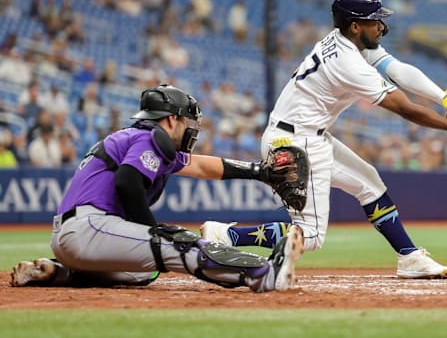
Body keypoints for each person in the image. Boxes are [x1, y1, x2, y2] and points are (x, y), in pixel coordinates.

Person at [202, 0, 447, 279]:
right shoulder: (349, 64)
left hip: (309, 136)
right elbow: (406, 109)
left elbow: (397, 69)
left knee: (370, 184)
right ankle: (226, 237)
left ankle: (410, 257)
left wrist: (446, 99)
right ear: (355, 26)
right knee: (311, 236)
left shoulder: (350, 43)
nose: (381, 26)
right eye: (374, 20)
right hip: (294, 143)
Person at [10, 84, 303, 292]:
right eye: (187, 120)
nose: (191, 127)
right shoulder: (150, 137)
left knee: (144, 271)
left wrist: (259, 172)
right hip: (88, 228)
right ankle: (262, 273)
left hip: (74, 238)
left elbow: (202, 166)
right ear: (171, 119)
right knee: (176, 242)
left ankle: (61, 273)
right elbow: (126, 181)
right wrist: (152, 231)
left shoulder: (141, 139)